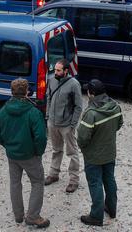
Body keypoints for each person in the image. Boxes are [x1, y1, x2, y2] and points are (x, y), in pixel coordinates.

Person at [0, 79, 49, 228]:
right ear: (26, 92)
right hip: (30, 155)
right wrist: (38, 152)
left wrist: (7, 146)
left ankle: (18, 215)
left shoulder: (4, 110)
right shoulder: (33, 112)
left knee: (15, 183)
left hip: (12, 155)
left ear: (11, 91)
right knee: (37, 182)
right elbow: (41, 137)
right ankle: (33, 216)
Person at [77, 79, 123, 226]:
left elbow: (83, 138)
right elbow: (119, 124)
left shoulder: (91, 113)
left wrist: (84, 148)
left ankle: (96, 216)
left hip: (93, 157)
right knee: (109, 180)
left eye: (88, 91)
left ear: (92, 93)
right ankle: (111, 208)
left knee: (95, 183)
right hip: (110, 152)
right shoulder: (115, 106)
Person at [44, 59, 83, 193]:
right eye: (55, 69)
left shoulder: (74, 84)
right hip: (53, 123)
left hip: (67, 125)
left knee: (72, 152)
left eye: (58, 70)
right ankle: (54, 174)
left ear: (66, 71)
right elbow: (48, 98)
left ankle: (74, 180)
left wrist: (73, 124)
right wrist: (48, 116)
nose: (55, 72)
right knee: (56, 150)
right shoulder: (51, 80)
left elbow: (79, 106)